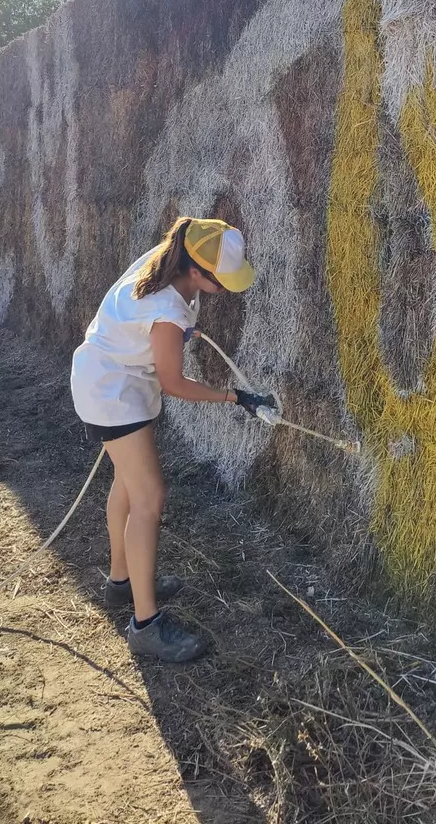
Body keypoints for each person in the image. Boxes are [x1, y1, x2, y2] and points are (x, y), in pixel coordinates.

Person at [70, 216, 270, 662]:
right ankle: (145, 625)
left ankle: (121, 583)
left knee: (128, 484)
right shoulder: (168, 310)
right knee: (150, 497)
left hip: (105, 378)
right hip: (112, 393)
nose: (223, 290)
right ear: (195, 270)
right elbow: (175, 383)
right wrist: (234, 396)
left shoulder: (165, 260)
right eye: (218, 282)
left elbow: (145, 324)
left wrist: (177, 332)